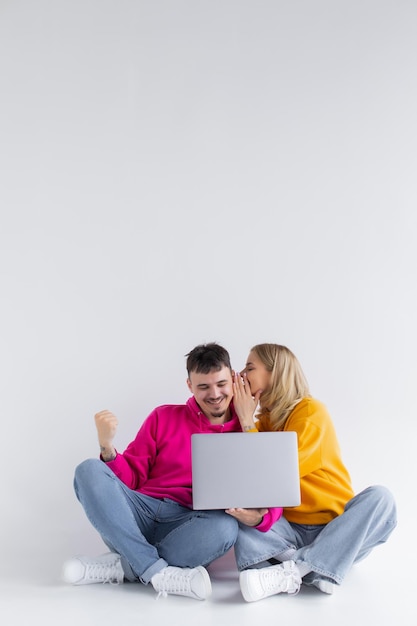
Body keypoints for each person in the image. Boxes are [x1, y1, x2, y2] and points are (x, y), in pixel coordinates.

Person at [62, 342, 264, 600]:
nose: (214, 394)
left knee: (225, 529)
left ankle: (124, 566)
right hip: (137, 515)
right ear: (190, 386)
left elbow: (261, 486)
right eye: (203, 386)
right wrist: (107, 447)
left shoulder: (248, 431)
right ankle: (157, 573)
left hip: (189, 524)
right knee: (88, 469)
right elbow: (132, 477)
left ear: (233, 379)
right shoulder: (163, 416)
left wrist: (247, 421)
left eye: (221, 384)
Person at [227, 343, 397, 602]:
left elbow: (278, 474)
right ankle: (318, 566)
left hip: (336, 529)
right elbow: (249, 479)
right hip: (288, 530)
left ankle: (295, 570)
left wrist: (247, 421)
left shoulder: (310, 412)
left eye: (250, 368)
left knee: (382, 499)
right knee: (233, 518)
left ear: (276, 373)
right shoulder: (262, 423)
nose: (241, 375)